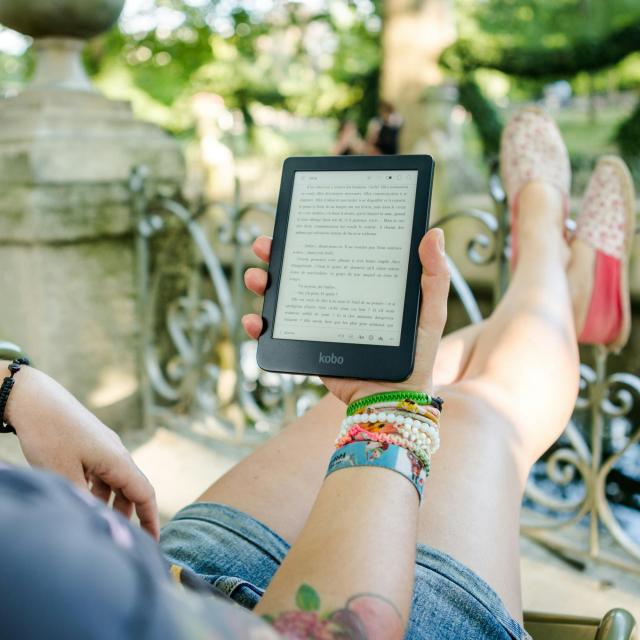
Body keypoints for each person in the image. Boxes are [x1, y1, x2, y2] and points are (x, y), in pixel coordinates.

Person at [0, 108, 635, 639]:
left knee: (428, 361)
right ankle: (548, 256)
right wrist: (392, 414)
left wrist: (13, 388)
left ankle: (559, 286)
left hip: (177, 570)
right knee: (481, 411)